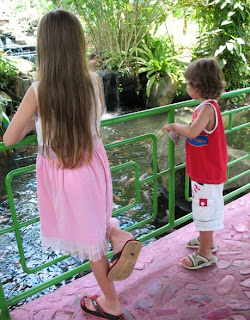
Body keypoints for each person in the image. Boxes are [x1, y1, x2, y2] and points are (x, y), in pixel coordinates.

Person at [3, 9, 141, 320]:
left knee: (92, 244)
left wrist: (34, 123)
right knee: (97, 221)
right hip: (94, 163)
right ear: (77, 43)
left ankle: (111, 304)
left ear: (45, 47)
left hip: (66, 174)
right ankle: (120, 236)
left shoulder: (39, 90)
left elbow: (10, 138)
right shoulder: (93, 80)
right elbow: (98, 116)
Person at [162, 57, 227, 270]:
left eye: (189, 83)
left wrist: (174, 125)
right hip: (204, 170)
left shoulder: (208, 108)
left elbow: (191, 131)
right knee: (204, 210)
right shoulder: (205, 107)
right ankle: (207, 240)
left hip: (207, 172)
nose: (187, 86)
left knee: (204, 210)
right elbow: (197, 134)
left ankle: (205, 253)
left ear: (199, 86)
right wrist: (180, 133)